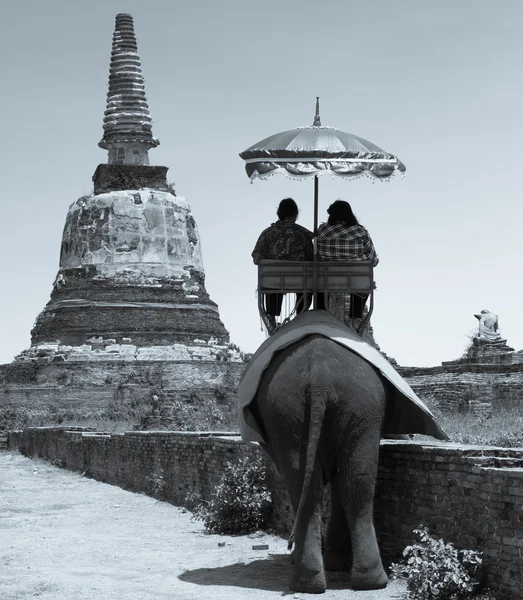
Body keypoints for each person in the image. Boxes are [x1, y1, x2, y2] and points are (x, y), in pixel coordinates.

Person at [252, 198, 313, 330]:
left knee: (272, 281)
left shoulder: (267, 233)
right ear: (296, 214)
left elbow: (257, 257)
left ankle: (272, 316)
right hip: (300, 282)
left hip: (274, 281)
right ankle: (300, 317)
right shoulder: (304, 234)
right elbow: (311, 258)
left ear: (279, 213)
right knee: (306, 285)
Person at [316, 200, 378, 319]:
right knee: (361, 283)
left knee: (321, 285)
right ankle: (355, 316)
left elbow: (317, 252)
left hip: (326, 279)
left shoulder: (322, 230)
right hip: (355, 279)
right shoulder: (360, 231)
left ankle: (321, 314)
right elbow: (372, 258)